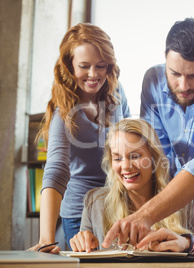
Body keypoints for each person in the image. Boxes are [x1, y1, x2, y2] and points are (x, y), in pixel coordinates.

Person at [101, 17, 194, 249]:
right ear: (165, 58)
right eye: (174, 73)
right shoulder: (152, 80)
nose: (183, 85)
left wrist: (147, 214)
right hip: (175, 200)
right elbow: (155, 150)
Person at [27, 23, 131, 253]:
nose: (94, 75)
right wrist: (46, 239)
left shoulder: (115, 91)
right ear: (69, 66)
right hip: (80, 213)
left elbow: (130, 139)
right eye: (84, 66)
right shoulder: (62, 112)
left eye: (100, 66)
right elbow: (55, 171)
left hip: (118, 206)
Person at [69, 119, 194, 253]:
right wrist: (82, 244)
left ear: (154, 158)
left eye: (135, 156)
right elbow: (85, 255)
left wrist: (187, 244)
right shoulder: (95, 202)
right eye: (117, 158)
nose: (126, 166)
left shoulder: (189, 200)